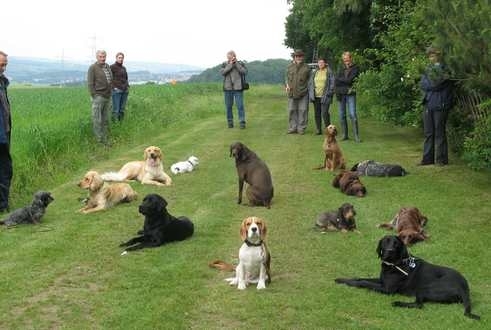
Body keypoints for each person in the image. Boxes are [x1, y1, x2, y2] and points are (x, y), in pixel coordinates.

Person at [419, 47, 453, 166]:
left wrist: (430, 84)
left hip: (441, 104)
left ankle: (441, 160)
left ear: (439, 56)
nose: (431, 58)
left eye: (433, 55)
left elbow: (437, 84)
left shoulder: (446, 69)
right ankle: (427, 159)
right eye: (429, 56)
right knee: (428, 133)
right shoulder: (428, 68)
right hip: (428, 103)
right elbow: (422, 84)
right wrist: (430, 84)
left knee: (440, 132)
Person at [87, 50, 112, 145]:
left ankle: (105, 140)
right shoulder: (93, 68)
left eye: (104, 56)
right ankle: (99, 141)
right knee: (97, 120)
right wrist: (94, 95)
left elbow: (110, 80)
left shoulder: (107, 66)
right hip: (98, 97)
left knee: (105, 120)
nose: (103, 58)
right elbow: (90, 83)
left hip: (107, 96)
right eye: (100, 56)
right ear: (97, 57)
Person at [335, 51, 360, 142]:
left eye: (347, 58)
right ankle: (344, 135)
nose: (345, 60)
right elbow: (336, 80)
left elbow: (350, 80)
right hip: (341, 94)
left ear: (350, 58)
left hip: (350, 93)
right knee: (342, 115)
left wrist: (342, 80)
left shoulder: (355, 68)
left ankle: (356, 136)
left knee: (352, 114)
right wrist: (344, 80)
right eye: (344, 58)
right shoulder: (340, 68)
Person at [285, 49, 311, 134]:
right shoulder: (289, 67)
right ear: (294, 57)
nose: (299, 58)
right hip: (291, 93)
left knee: (303, 111)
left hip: (303, 93)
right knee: (292, 110)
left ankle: (301, 128)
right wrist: (287, 85)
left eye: (300, 56)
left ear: (303, 57)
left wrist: (307, 90)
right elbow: (286, 78)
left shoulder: (307, 68)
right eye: (297, 56)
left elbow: (310, 81)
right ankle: (293, 128)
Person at [220, 50, 247, 129]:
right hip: (227, 88)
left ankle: (242, 122)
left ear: (234, 56)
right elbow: (223, 73)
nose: (230, 59)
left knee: (240, 106)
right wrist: (230, 65)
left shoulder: (240, 63)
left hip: (238, 88)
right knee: (228, 106)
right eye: (228, 57)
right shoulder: (224, 64)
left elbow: (244, 72)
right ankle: (230, 122)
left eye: (231, 57)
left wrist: (236, 64)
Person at [308, 57, 335, 135]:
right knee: (317, 113)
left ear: (325, 63)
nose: (320, 64)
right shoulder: (315, 72)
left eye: (322, 62)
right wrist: (311, 92)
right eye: (319, 62)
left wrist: (330, 92)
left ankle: (329, 129)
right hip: (316, 96)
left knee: (324, 113)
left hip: (325, 96)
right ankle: (318, 129)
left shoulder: (329, 71)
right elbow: (310, 82)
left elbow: (333, 82)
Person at [0, 51, 12, 213]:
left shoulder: (2, 82)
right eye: (1, 64)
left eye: (5, 64)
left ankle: (3, 205)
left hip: (4, 133)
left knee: (5, 170)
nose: (3, 68)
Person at [110, 52, 129, 121]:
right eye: (119, 58)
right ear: (116, 58)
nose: (121, 59)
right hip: (116, 91)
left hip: (125, 91)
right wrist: (114, 88)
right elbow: (109, 79)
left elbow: (126, 78)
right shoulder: (112, 67)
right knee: (116, 109)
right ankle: (115, 125)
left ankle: (121, 125)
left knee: (122, 109)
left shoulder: (124, 68)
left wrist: (127, 86)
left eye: (122, 58)